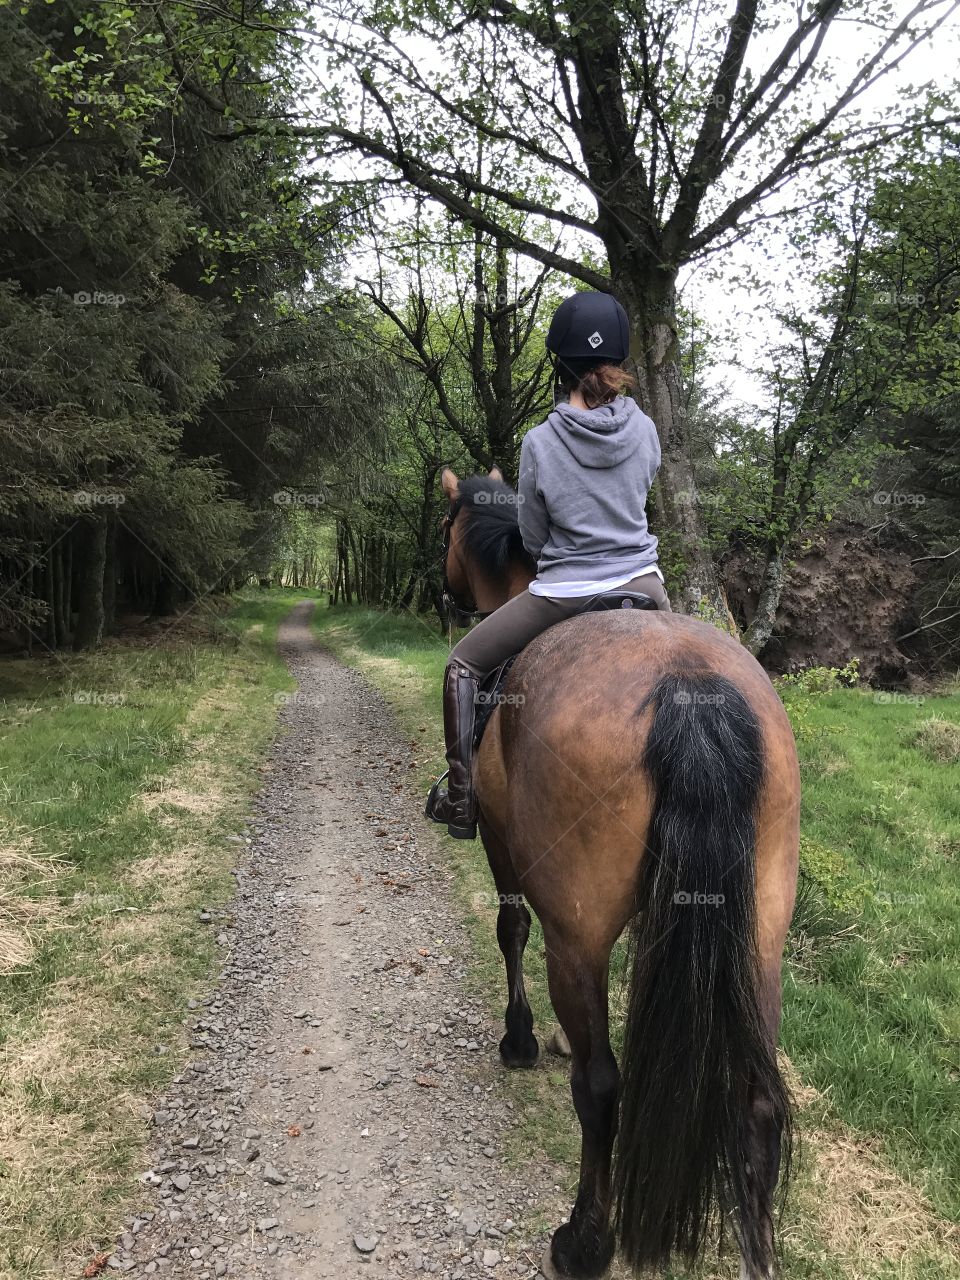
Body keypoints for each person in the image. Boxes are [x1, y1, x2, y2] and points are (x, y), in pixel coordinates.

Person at [425, 291, 671, 839]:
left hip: (565, 592)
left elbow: (533, 535)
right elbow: (640, 495)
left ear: (557, 364)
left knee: (462, 666)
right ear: (619, 362)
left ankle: (463, 801)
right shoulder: (647, 432)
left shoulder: (539, 442)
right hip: (645, 587)